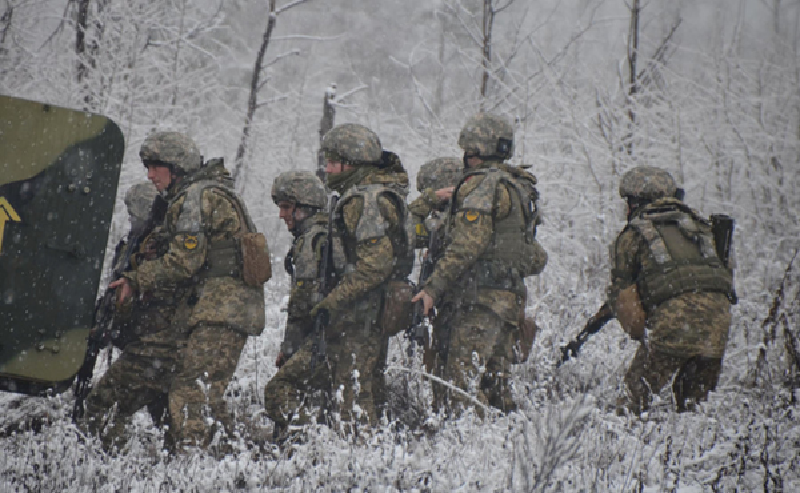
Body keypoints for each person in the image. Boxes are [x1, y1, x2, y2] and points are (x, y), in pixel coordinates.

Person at [104, 131, 267, 453]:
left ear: (176, 167)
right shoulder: (206, 194)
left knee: (192, 391)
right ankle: (232, 456)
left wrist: (136, 280)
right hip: (214, 308)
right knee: (198, 391)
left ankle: (200, 467)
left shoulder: (194, 198)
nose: (150, 176)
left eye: (155, 167)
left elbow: (183, 262)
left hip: (221, 309)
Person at [412, 112, 547, 416]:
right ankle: (505, 454)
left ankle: (461, 456)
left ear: (473, 150)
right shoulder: (518, 185)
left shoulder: (483, 184)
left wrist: (432, 289)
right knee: (495, 389)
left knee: (457, 392)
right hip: (508, 302)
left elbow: (467, 244)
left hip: (479, 301)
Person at [305, 123, 414, 434]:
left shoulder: (363, 200)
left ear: (349, 164)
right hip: (373, 310)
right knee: (368, 385)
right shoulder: (378, 192)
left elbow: (374, 266)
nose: (326, 169)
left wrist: (331, 302)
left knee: (354, 391)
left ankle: (358, 458)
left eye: (331, 162)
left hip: (362, 312)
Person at [608, 166, 735, 415]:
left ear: (634, 203)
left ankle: (625, 449)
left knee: (632, 405)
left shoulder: (633, 235)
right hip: (717, 328)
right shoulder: (702, 228)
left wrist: (644, 335)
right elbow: (724, 281)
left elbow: (625, 303)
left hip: (673, 326)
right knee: (695, 412)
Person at [83, 181, 176, 452]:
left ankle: (100, 457)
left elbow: (144, 295)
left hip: (153, 345)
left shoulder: (159, 247)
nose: (131, 218)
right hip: (150, 344)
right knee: (163, 413)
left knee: (103, 401)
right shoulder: (133, 244)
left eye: (135, 212)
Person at [262, 171, 337, 442]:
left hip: (324, 337)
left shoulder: (311, 240)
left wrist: (289, 349)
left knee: (279, 388)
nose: (282, 215)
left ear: (303, 209)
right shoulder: (325, 233)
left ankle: (300, 444)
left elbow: (302, 303)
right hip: (336, 335)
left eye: (286, 208)